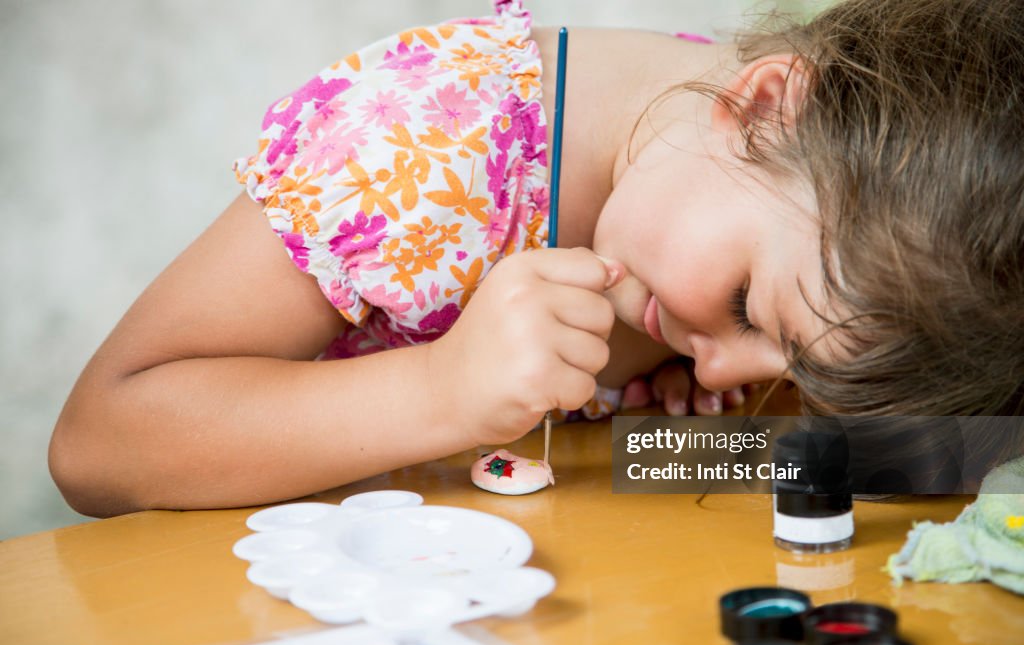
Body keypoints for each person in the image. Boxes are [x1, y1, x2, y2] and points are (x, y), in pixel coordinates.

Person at [49, 0, 1024, 517]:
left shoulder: (714, 180)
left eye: (794, 363)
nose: (727, 363)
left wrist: (700, 404)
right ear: (765, 104)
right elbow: (94, 448)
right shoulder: (413, 154)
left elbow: (936, 450)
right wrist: (440, 388)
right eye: (741, 307)